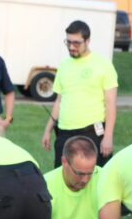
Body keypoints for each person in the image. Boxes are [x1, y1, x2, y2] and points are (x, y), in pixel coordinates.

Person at [41, 20, 118, 167]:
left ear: (88, 41)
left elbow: (110, 105)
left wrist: (108, 136)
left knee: (93, 179)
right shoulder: (64, 66)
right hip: (64, 133)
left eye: (76, 43)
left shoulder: (103, 65)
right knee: (63, 179)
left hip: (91, 133)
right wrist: (48, 130)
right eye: (68, 42)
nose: (71, 47)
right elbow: (59, 101)